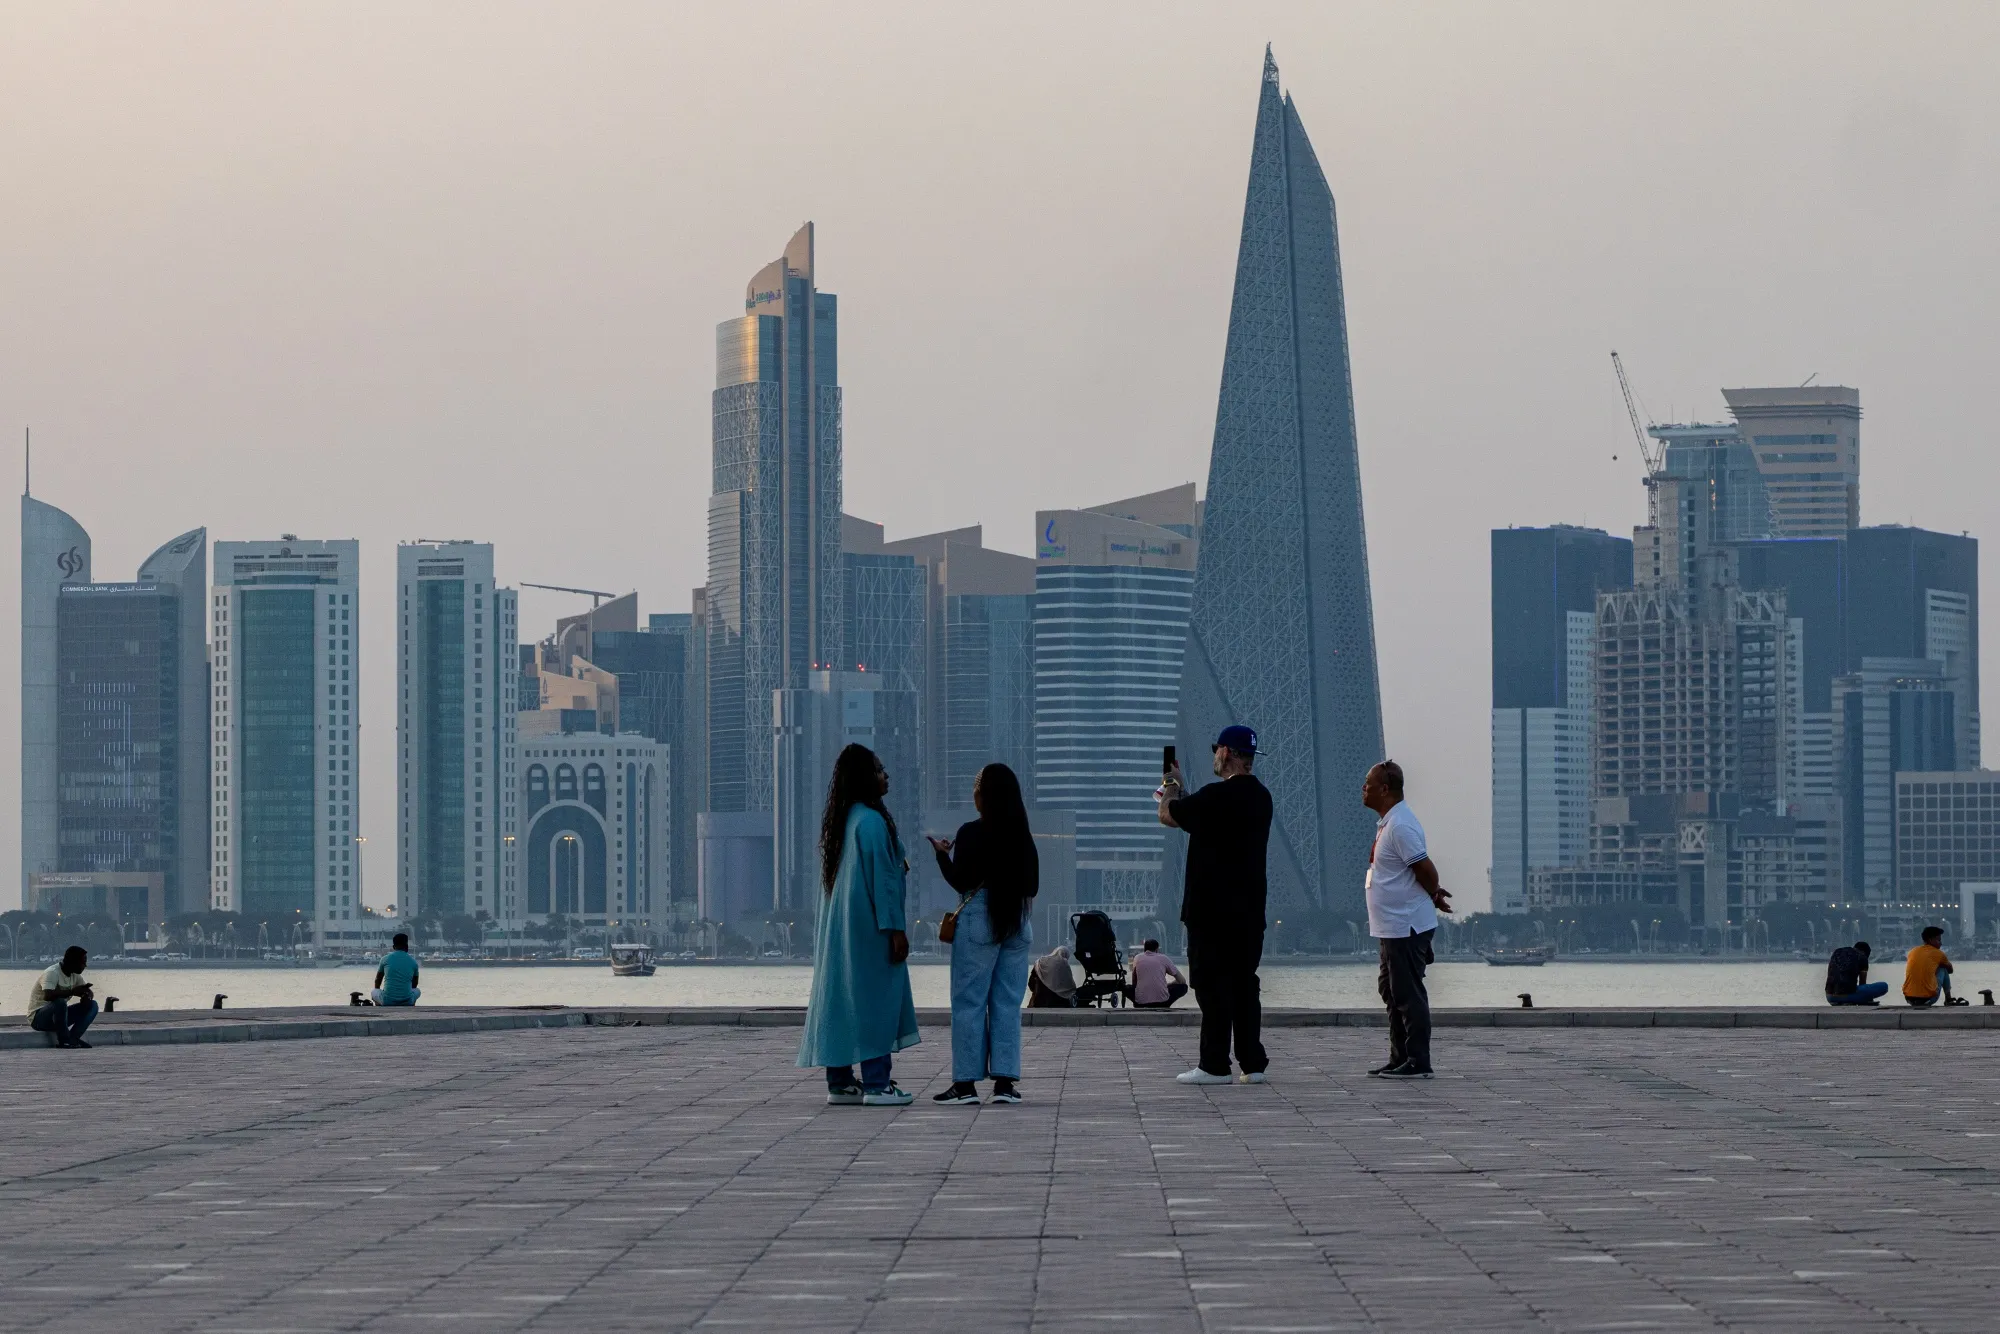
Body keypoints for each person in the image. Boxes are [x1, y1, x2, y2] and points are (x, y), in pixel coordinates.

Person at [798, 743, 920, 1106]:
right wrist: (896, 930)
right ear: (866, 778)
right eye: (880, 770)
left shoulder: (842, 822)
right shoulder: (871, 821)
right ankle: (878, 1084)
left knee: (841, 1000)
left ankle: (840, 1082)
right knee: (874, 1002)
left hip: (839, 934)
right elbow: (883, 884)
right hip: (870, 932)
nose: (887, 777)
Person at [1160, 723, 1274, 1085]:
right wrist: (1186, 797)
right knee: (1244, 984)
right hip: (1250, 911)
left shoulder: (1214, 797)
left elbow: (1168, 815)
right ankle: (1252, 1064)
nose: (1214, 756)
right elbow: (1208, 818)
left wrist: (1172, 787)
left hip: (1210, 911)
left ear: (1227, 753)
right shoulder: (1261, 798)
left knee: (1211, 986)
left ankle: (1214, 1064)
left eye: (1217, 750)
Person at [927, 763, 1040, 1105]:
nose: (973, 796)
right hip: (1016, 921)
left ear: (984, 795)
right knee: (1007, 1003)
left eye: (977, 790)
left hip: (979, 921)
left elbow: (961, 881)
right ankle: (1005, 1085)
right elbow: (1032, 886)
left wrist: (942, 858)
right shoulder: (1022, 833)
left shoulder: (971, 832)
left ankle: (965, 1086)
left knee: (970, 1003)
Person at [1363, 760, 1452, 1079]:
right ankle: (1399, 1056)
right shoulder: (1389, 823)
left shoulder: (1400, 825)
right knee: (1391, 990)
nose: (1364, 789)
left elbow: (1425, 869)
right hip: (1392, 926)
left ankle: (1418, 1061)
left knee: (1408, 993)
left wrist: (1434, 894)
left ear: (1385, 789)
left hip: (1407, 926)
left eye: (1368, 784)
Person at [29, 946, 97, 1049]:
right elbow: (48, 995)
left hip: (59, 1018)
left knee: (93, 1005)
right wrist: (72, 991)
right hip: (38, 1019)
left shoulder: (75, 975)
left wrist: (86, 996)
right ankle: (64, 1040)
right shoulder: (52, 972)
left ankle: (73, 1039)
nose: (85, 965)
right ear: (73, 962)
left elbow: (87, 990)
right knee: (60, 1002)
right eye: (83, 962)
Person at [1903, 926, 1968, 1007]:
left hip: (1909, 998)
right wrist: (1939, 965)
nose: (1941, 943)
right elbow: (1950, 970)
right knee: (1943, 969)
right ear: (1930, 940)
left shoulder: (1912, 951)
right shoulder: (1938, 953)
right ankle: (1948, 999)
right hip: (1927, 999)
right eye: (1939, 940)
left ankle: (1917, 1000)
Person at [1125, 940, 1189, 1009]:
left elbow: (1134, 982)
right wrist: (1169, 985)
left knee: (1127, 987)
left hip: (1140, 1003)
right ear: (1157, 949)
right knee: (1183, 987)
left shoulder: (1137, 958)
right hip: (1163, 1003)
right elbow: (1182, 980)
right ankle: (1163, 1002)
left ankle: (1138, 1002)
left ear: (1144, 949)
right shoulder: (1164, 958)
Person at [1824, 940, 1888, 1005]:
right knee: (1884, 986)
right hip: (1847, 996)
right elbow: (1862, 983)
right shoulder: (1863, 956)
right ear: (1866, 953)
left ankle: (1844, 1001)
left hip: (1829, 996)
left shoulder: (1837, 951)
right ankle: (1853, 1000)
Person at [373, 934, 421, 1006]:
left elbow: (378, 980)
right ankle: (411, 1005)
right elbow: (415, 984)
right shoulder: (413, 962)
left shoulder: (384, 959)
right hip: (407, 1001)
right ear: (407, 946)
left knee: (374, 991)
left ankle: (379, 1005)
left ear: (393, 947)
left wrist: (379, 991)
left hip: (387, 1001)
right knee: (417, 991)